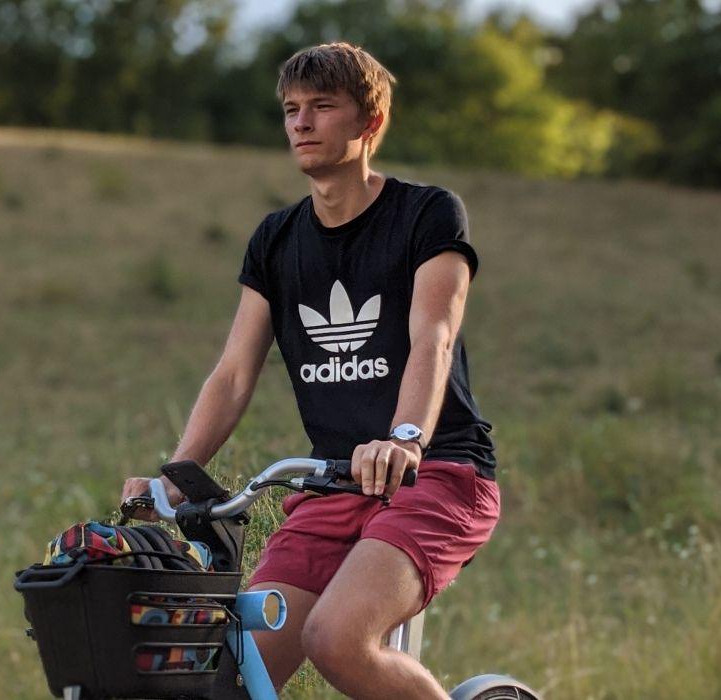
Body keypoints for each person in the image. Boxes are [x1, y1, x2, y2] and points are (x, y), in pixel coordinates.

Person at [122, 42, 499, 699]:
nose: (301, 122)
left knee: (336, 638)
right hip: (333, 484)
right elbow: (236, 372)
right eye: (292, 110)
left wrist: (405, 437)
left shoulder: (426, 214)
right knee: (230, 673)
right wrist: (178, 475)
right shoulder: (277, 238)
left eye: (323, 107)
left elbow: (432, 338)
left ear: (369, 123)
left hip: (438, 473)